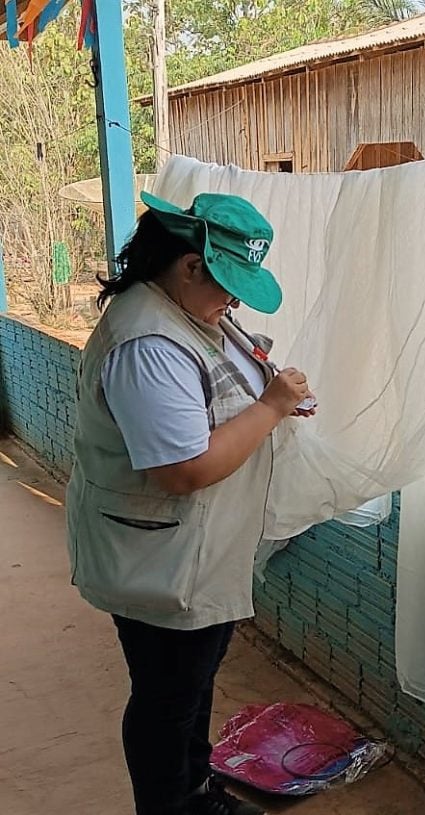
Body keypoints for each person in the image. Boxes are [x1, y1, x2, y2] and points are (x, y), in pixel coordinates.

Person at [66, 191, 315, 815]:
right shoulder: (147, 343)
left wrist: (265, 382)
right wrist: (271, 407)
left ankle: (195, 792)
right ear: (191, 264)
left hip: (195, 549)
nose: (234, 300)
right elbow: (185, 468)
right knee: (166, 698)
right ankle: (170, 804)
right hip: (161, 559)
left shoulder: (190, 311)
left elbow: (215, 385)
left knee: (191, 686)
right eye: (228, 283)